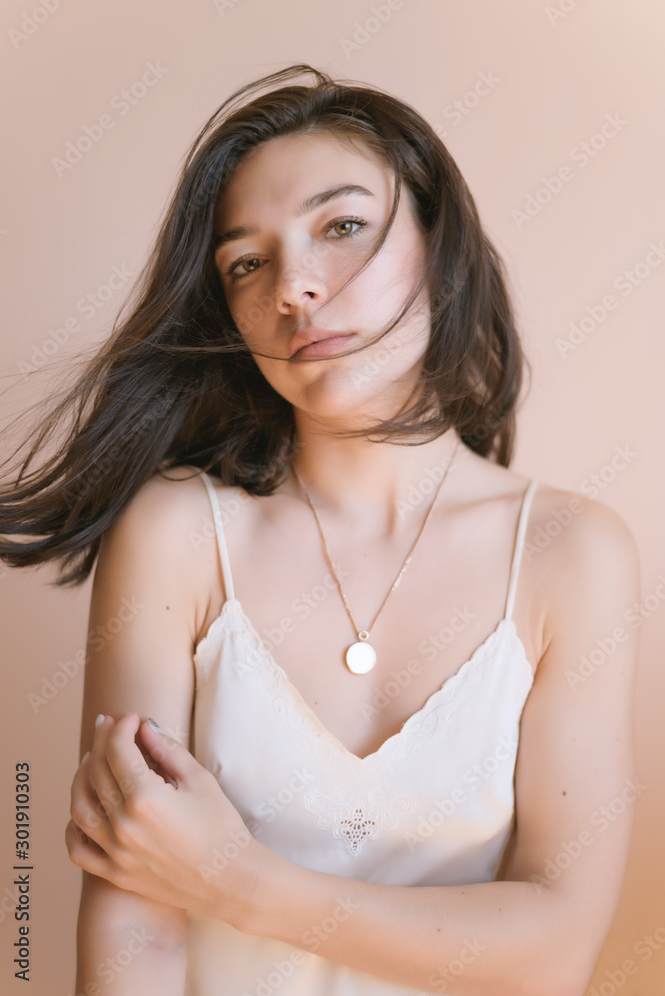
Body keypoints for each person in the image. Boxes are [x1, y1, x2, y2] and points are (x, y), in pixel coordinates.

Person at [0, 64, 639, 995]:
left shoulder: (571, 555)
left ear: (440, 242)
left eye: (341, 228)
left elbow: (553, 949)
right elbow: (133, 932)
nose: (294, 288)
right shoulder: (175, 533)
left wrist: (236, 882)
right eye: (245, 263)